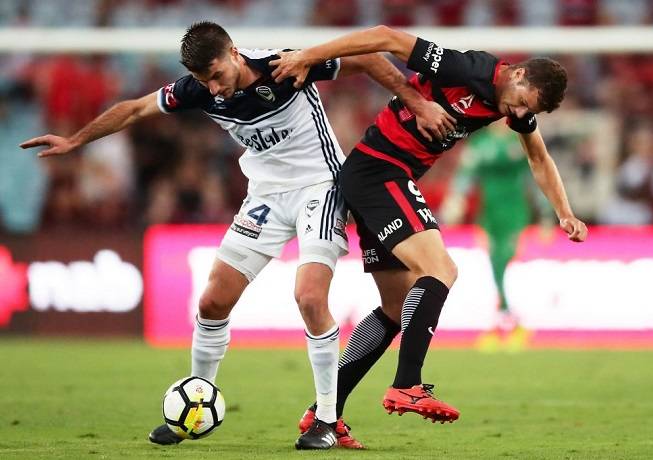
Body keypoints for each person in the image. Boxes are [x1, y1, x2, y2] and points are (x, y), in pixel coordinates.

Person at [20, 21, 452, 450]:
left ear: (234, 53)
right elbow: (134, 109)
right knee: (212, 300)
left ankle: (326, 419)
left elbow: (369, 57)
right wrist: (76, 140)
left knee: (310, 297)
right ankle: (196, 405)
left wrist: (414, 101)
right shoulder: (197, 89)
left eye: (217, 76)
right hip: (264, 196)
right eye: (203, 81)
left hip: (319, 188)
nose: (214, 89)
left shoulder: (283, 66)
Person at [271, 24, 588, 443]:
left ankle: (323, 416)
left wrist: (565, 212)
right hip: (380, 172)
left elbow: (539, 158)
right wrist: (308, 55)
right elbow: (386, 36)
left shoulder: (515, 106)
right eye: (522, 103)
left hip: (380, 177)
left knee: (394, 307)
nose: (516, 114)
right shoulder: (467, 68)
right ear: (518, 75)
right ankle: (408, 383)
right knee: (440, 269)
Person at [440, 122, 554, 351]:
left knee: (507, 261)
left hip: (515, 212)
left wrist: (546, 214)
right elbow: (466, 175)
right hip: (489, 214)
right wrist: (456, 199)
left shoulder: (520, 141)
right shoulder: (480, 143)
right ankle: (505, 322)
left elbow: (534, 177)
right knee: (494, 264)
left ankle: (511, 323)